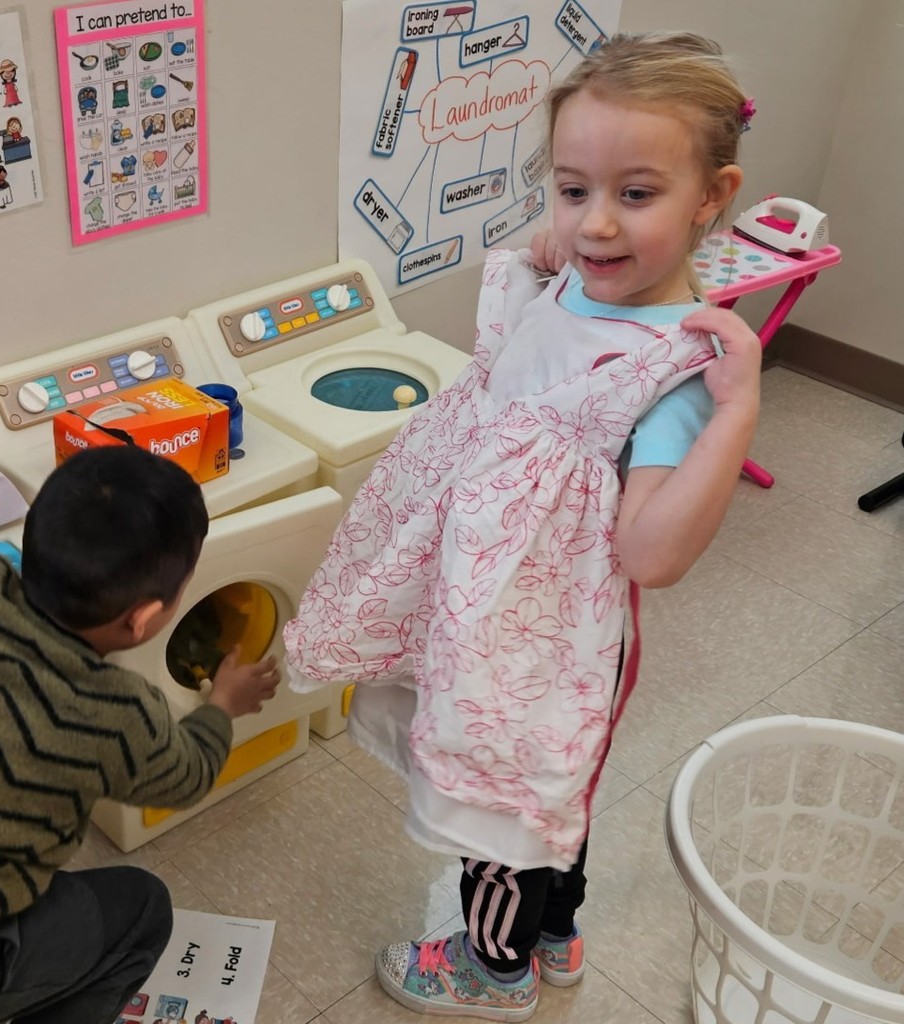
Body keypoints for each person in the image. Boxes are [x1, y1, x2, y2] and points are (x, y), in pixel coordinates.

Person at [283, 31, 762, 1021]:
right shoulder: (583, 284)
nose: (592, 226)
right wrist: (561, 264)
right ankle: (553, 931)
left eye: (635, 196)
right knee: (549, 793)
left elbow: (651, 553)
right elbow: (561, 308)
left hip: (544, 640)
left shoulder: (669, 372)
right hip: (491, 602)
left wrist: (737, 412)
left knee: (505, 808)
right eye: (572, 189)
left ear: (712, 194)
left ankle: (491, 966)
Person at [0, 446, 280, 1024]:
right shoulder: (113, 712)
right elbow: (186, 774)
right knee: (143, 910)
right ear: (142, 620)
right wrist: (223, 703)